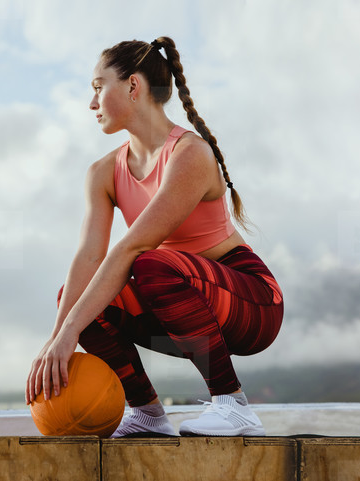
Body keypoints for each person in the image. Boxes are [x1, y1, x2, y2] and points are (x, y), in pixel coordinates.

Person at [24, 36, 284, 438]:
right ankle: (147, 413)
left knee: (148, 264)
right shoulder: (102, 173)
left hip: (251, 304)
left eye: (98, 87)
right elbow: (89, 258)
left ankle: (233, 405)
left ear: (133, 86)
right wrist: (58, 337)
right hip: (176, 305)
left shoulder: (190, 154)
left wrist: (68, 331)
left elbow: (134, 246)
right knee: (75, 301)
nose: (91, 103)